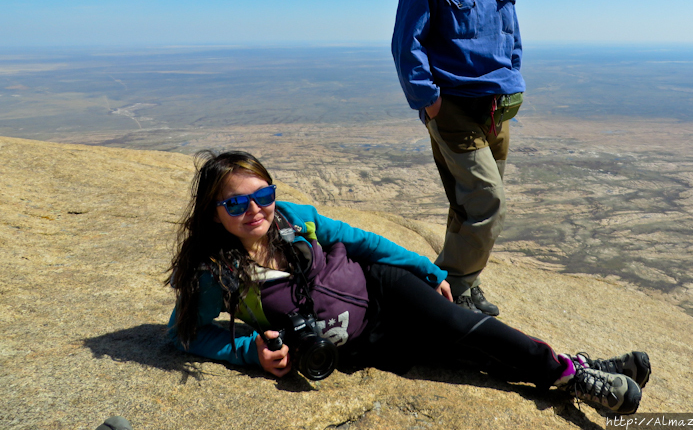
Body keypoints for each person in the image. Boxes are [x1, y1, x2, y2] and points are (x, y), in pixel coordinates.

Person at [166, 150, 651, 414]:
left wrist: (426, 268)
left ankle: (572, 377)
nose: (255, 210)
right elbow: (182, 333)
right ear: (214, 214)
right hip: (361, 347)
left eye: (263, 194)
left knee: (463, 327)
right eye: (235, 204)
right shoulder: (218, 275)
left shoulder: (294, 218)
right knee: (464, 359)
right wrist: (251, 350)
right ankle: (579, 367)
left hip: (382, 287)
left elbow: (362, 242)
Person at [391, 0, 524, 316]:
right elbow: (405, 43)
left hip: (496, 107)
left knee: (469, 201)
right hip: (452, 106)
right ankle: (450, 291)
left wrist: (513, 76)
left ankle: (460, 284)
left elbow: (511, 36)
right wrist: (428, 100)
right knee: (488, 199)